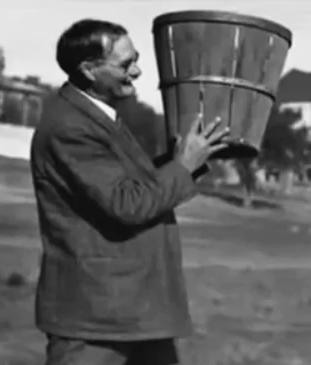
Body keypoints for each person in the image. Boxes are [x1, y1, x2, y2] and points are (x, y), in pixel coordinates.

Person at [30, 19, 229, 365]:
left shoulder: (98, 117)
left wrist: (186, 158)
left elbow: (130, 185)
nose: (137, 71)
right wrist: (182, 166)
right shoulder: (69, 127)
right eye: (125, 64)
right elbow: (127, 203)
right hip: (95, 319)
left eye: (135, 59)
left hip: (132, 313)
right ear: (89, 70)